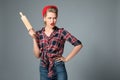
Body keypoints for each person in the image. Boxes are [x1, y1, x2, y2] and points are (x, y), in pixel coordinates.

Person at [28, 5, 83, 80]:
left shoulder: (61, 32)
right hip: (44, 68)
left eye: (54, 18)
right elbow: (37, 55)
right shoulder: (38, 34)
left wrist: (66, 59)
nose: (52, 21)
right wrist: (34, 38)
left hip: (58, 67)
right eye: (49, 18)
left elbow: (78, 45)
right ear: (44, 18)